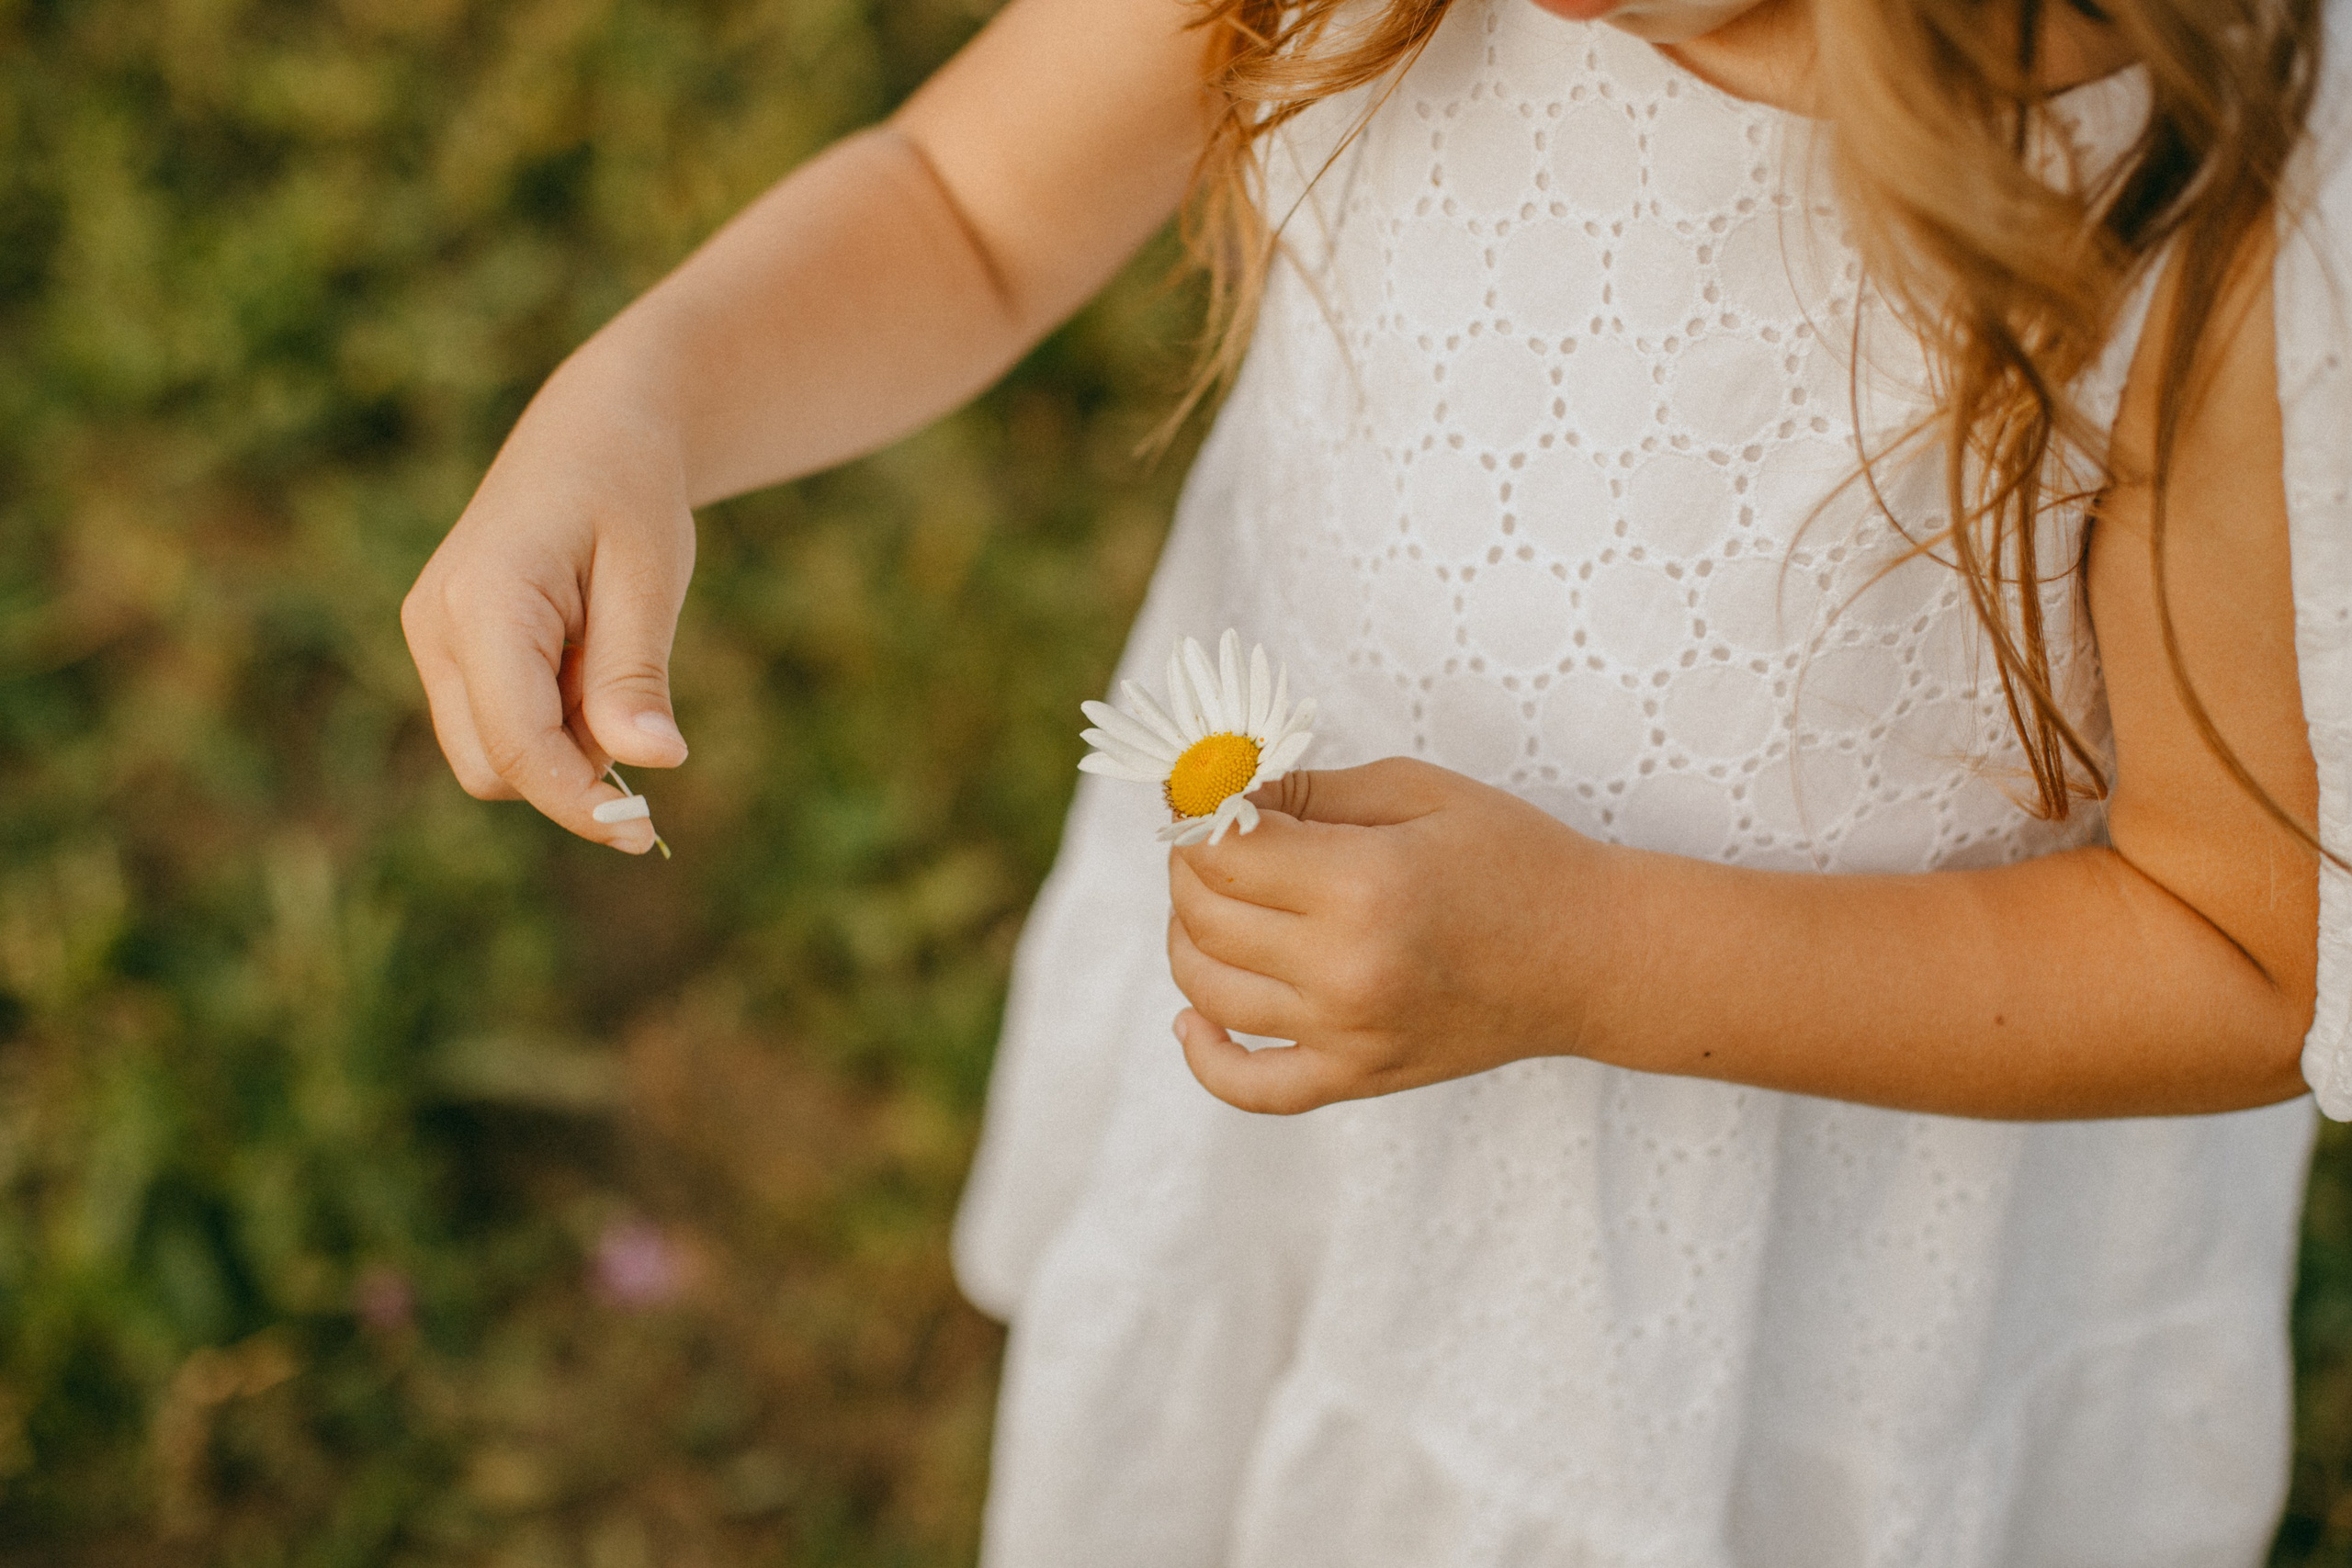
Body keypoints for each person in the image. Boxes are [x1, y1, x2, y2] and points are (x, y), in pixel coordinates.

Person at [400, 0, 2351, 1560]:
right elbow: (961, 204)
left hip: (1785, 1297)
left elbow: (2236, 944)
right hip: (1310, 1115)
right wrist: (637, 403)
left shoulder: (2211, 198)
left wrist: (1593, 960)